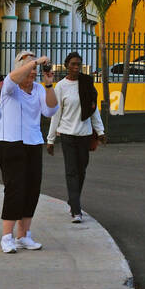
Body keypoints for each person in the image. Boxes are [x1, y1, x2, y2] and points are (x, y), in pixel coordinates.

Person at [0, 52, 58, 252]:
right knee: (15, 188)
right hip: (11, 142)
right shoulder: (10, 86)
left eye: (35, 69)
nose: (33, 72)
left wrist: (49, 85)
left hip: (32, 142)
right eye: (30, 68)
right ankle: (7, 236)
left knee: (32, 188)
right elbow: (14, 77)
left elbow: (50, 110)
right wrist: (34, 61)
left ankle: (24, 235)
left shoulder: (39, 89)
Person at [46, 52, 104, 221]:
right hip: (67, 135)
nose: (76, 67)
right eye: (73, 64)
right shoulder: (61, 87)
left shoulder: (86, 84)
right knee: (71, 171)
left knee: (81, 170)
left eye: (79, 64)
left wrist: (100, 131)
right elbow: (56, 115)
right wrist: (50, 140)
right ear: (66, 66)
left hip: (84, 135)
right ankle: (76, 210)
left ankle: (73, 201)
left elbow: (93, 109)